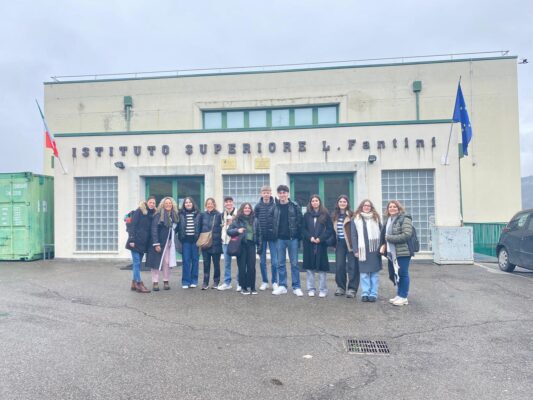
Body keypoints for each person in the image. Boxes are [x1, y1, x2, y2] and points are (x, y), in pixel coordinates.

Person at [271, 185, 304, 296]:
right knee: (281, 264)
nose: (282, 195)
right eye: (280, 193)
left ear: (287, 194)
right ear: (278, 194)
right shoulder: (275, 207)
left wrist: (298, 237)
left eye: (284, 192)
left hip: (292, 239)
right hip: (280, 239)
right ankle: (282, 286)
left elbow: (300, 222)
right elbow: (272, 222)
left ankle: (296, 287)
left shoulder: (295, 206)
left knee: (294, 264)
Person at [380, 200, 413, 306]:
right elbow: (384, 235)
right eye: (390, 207)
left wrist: (389, 238)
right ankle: (399, 295)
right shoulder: (389, 220)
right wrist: (384, 244)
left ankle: (404, 297)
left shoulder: (405, 218)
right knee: (397, 273)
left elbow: (407, 235)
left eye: (394, 206)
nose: (392, 208)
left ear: (399, 208)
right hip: (393, 252)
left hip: (403, 252)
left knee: (403, 274)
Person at [302, 195, 334, 298]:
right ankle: (311, 289)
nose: (314, 202)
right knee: (310, 268)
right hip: (309, 244)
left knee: (322, 268)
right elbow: (303, 229)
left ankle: (323, 290)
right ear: (310, 203)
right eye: (313, 201)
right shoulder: (306, 215)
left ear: (319, 202)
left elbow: (329, 230)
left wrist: (321, 238)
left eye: (316, 200)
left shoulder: (325, 215)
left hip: (321, 245)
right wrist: (310, 237)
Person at [227, 202, 262, 295]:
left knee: (251, 267)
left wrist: (259, 246)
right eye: (245, 208)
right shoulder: (237, 220)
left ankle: (252, 287)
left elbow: (259, 234)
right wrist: (237, 230)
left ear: (251, 210)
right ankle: (243, 287)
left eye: (249, 208)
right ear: (242, 209)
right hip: (241, 245)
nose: (247, 209)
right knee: (242, 267)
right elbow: (229, 231)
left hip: (251, 245)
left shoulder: (255, 220)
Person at [352, 199, 382, 302]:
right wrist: (355, 250)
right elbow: (353, 235)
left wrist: (382, 247)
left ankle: (373, 293)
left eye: (368, 206)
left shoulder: (376, 218)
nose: (366, 207)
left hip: (374, 249)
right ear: (361, 207)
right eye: (365, 205)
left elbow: (381, 232)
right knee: (364, 273)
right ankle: (365, 293)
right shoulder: (355, 218)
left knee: (374, 273)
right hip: (362, 250)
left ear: (371, 207)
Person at [146, 197, 179, 291]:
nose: (168, 205)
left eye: (170, 203)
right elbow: (154, 229)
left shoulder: (174, 215)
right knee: (155, 262)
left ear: (172, 205)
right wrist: (156, 243)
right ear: (163, 205)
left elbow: (175, 228)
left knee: (167, 263)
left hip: (168, 243)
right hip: (158, 243)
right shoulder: (158, 215)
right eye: (166, 203)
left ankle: (166, 281)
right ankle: (155, 282)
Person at [125, 196, 156, 293]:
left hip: (143, 243)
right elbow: (132, 225)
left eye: (154, 203)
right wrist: (132, 239)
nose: (152, 204)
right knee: (137, 263)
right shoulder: (140, 211)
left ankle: (134, 283)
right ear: (147, 202)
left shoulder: (152, 214)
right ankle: (139, 283)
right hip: (135, 242)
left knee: (137, 264)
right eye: (150, 202)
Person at [332, 195, 359, 299]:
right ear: (338, 203)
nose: (342, 203)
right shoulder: (335, 215)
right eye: (340, 201)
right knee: (339, 266)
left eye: (344, 202)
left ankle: (352, 289)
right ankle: (341, 287)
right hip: (340, 243)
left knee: (353, 266)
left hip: (351, 243)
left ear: (347, 203)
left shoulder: (352, 215)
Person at [254, 185, 278, 291]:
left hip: (273, 237)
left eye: (268, 192)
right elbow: (255, 221)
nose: (266, 194)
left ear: (270, 193)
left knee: (275, 261)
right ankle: (265, 282)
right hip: (261, 238)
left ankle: (275, 282)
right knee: (262, 261)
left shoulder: (276, 205)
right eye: (264, 193)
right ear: (261, 194)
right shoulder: (257, 206)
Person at [197, 198, 223, 290]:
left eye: (211, 203)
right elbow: (198, 228)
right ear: (205, 205)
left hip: (216, 243)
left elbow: (222, 228)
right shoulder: (202, 215)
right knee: (206, 264)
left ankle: (216, 281)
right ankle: (205, 282)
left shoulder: (219, 215)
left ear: (214, 204)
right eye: (208, 203)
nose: (210, 205)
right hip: (205, 243)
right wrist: (198, 240)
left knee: (216, 264)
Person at [178, 197, 199, 289]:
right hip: (185, 241)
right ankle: (185, 281)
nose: (188, 204)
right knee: (186, 261)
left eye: (190, 202)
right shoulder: (181, 214)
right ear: (184, 204)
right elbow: (176, 227)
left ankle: (194, 280)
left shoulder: (198, 214)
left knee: (195, 261)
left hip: (195, 241)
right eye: (186, 202)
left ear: (193, 203)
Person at [218, 196, 238, 291]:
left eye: (230, 201)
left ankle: (239, 282)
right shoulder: (222, 214)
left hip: (236, 241)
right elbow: (221, 226)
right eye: (226, 202)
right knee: (226, 263)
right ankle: (227, 282)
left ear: (233, 203)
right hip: (225, 241)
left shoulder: (238, 213)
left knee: (239, 262)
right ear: (224, 203)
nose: (228, 203)